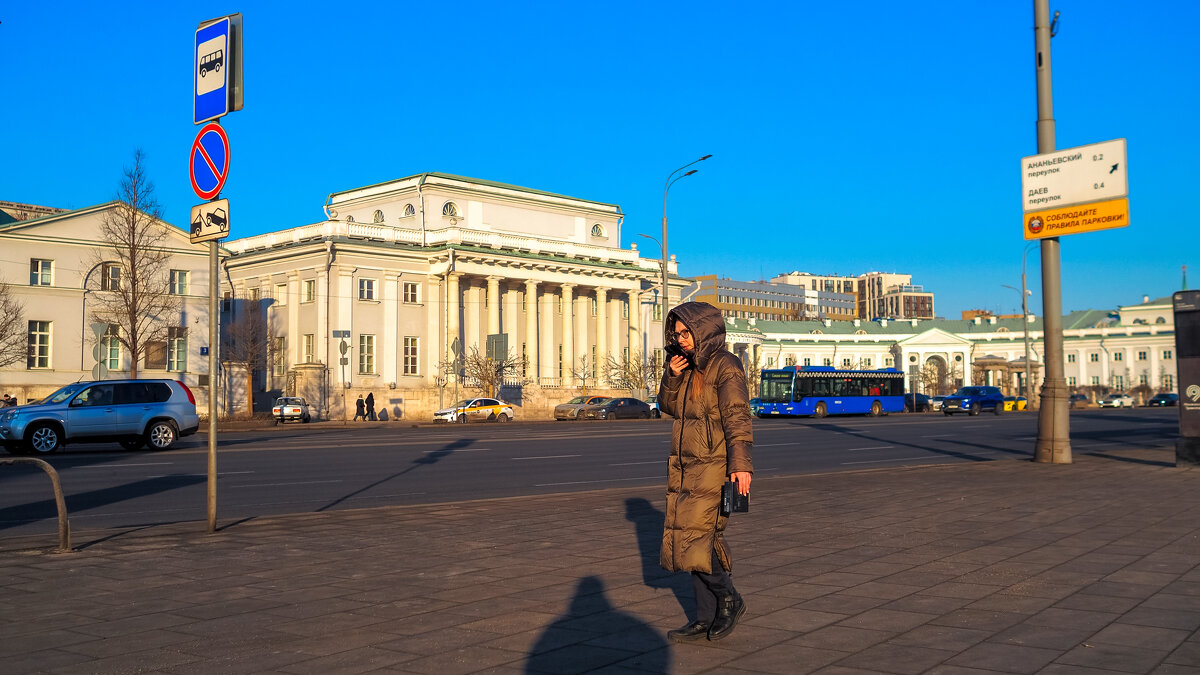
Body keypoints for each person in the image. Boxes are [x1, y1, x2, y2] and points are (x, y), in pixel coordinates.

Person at [658, 301, 754, 643]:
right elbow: (667, 408)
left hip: (715, 466)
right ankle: (704, 616)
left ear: (703, 329)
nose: (682, 339)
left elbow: (738, 417)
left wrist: (741, 465)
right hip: (686, 465)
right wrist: (672, 375)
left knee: (695, 538)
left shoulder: (725, 365)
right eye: (678, 333)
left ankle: (730, 598)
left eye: (687, 332)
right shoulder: (687, 367)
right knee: (693, 540)